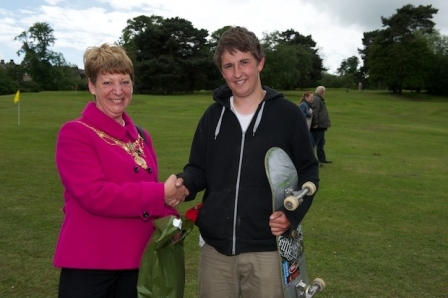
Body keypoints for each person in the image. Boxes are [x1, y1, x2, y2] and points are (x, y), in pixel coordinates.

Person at [176, 26, 319, 298]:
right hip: (215, 251)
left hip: (267, 250)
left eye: (244, 62)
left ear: (260, 62)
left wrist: (291, 215)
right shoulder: (213, 116)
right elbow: (198, 168)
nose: (237, 73)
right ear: (222, 71)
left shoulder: (288, 115)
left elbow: (308, 172)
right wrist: (185, 185)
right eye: (228, 66)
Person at [53, 43, 188, 298]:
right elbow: (95, 194)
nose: (118, 91)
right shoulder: (75, 133)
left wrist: (174, 220)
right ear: (92, 86)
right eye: (107, 82)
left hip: (138, 259)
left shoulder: (141, 136)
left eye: (124, 81)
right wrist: (161, 194)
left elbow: (153, 191)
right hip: (90, 262)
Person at [310, 86, 332, 164]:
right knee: (313, 143)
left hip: (321, 126)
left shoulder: (318, 99)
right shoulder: (316, 99)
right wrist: (315, 123)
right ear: (322, 92)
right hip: (318, 126)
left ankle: (321, 158)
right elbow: (315, 111)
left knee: (321, 143)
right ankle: (310, 160)